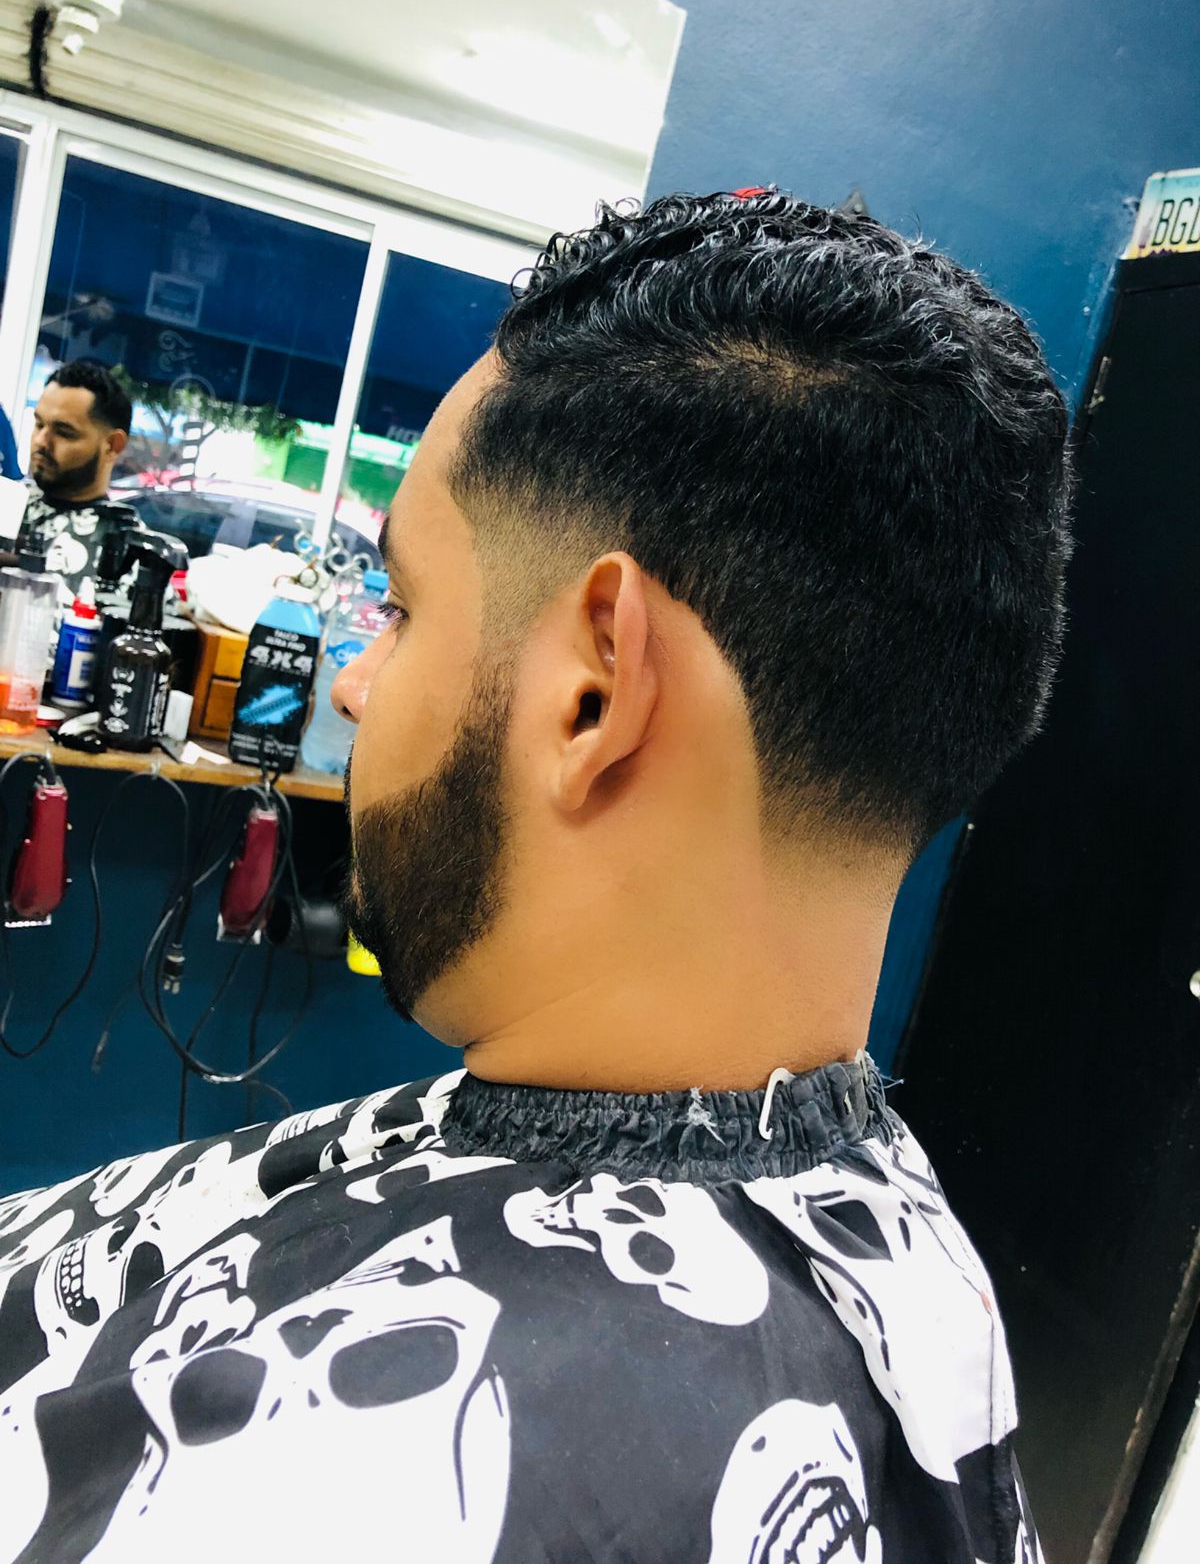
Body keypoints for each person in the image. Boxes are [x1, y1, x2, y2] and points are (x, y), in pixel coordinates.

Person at [0, 191, 1071, 1562]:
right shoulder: (912, 1275)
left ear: (593, 695)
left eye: (400, 610)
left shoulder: (386, 1488)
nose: (354, 680)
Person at [18, 359, 134, 593]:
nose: (40, 441)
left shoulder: (131, 554)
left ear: (112, 445)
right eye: (39, 424)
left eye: (63, 432)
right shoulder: (9, 506)